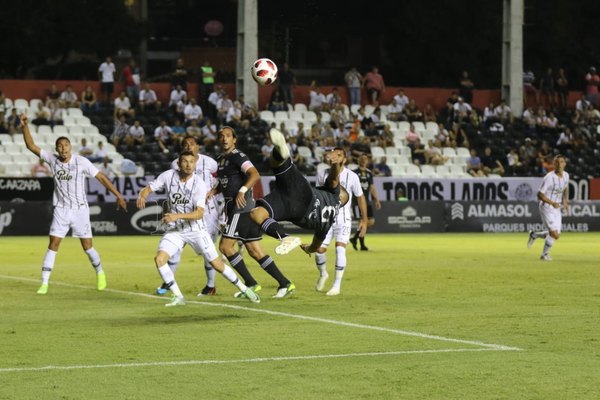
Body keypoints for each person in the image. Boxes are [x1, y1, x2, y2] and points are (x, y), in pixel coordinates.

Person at [20, 115, 128, 294]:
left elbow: (101, 177)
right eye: (60, 146)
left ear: (71, 147)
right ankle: (44, 283)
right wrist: (24, 127)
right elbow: (31, 146)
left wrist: (118, 195)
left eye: (66, 145)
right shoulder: (52, 159)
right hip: (61, 210)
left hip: (80, 210)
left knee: (87, 246)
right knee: (53, 243)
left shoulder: (81, 162)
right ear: (56, 149)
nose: (63, 148)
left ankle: (100, 272)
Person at [136, 151, 260, 306]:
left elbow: (199, 214)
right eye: (185, 161)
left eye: (191, 162)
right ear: (179, 163)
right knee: (160, 259)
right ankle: (178, 297)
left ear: (195, 164)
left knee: (216, 264)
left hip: (196, 230)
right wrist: (143, 195)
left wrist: (176, 216)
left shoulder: (199, 184)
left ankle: (243, 288)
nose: (188, 165)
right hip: (176, 231)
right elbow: (149, 188)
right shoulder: (168, 176)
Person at [210, 126, 296, 299]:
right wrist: (214, 190)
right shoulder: (220, 159)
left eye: (228, 136)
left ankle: (250, 283)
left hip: (240, 209)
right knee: (255, 251)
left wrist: (242, 191)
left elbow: (254, 174)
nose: (225, 139)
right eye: (221, 136)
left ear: (234, 140)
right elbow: (227, 182)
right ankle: (285, 283)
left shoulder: (239, 156)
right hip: (239, 209)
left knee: (225, 247)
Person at [247, 129, 350, 258]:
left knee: (279, 163)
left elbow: (334, 178)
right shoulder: (328, 222)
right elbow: (315, 246)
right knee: (256, 214)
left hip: (304, 195)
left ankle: (282, 150)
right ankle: (285, 238)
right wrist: (308, 249)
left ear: (341, 195)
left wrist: (336, 165)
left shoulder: (334, 195)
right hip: (294, 212)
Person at [154, 136, 223, 297]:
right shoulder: (175, 165)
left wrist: (213, 191)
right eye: (185, 145)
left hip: (208, 211)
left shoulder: (210, 162)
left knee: (209, 251)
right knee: (174, 247)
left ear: (198, 146)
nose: (189, 146)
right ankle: (168, 281)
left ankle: (210, 285)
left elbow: (222, 179)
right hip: (183, 210)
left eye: (192, 144)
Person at [313, 152, 368, 296]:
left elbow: (360, 197)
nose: (334, 157)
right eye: (332, 154)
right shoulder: (322, 174)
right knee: (319, 251)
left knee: (340, 249)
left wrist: (364, 219)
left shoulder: (352, 176)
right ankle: (323, 274)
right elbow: (318, 195)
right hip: (326, 218)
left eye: (338, 155)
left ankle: (336, 285)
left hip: (344, 219)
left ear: (344, 159)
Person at [527, 155, 569, 261]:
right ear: (554, 164)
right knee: (553, 233)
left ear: (565, 164)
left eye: (562, 162)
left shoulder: (566, 176)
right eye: (557, 162)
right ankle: (544, 255)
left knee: (557, 235)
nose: (559, 164)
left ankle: (534, 234)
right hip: (547, 206)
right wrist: (552, 202)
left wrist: (565, 201)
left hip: (557, 207)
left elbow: (565, 188)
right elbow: (540, 195)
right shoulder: (549, 178)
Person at [349, 154, 381, 250]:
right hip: (357, 201)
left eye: (365, 159)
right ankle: (362, 245)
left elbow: (371, 187)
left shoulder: (369, 173)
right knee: (363, 222)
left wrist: (376, 200)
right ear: (358, 160)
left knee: (370, 221)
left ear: (367, 161)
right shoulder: (354, 173)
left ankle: (354, 238)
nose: (363, 160)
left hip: (366, 201)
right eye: (361, 159)